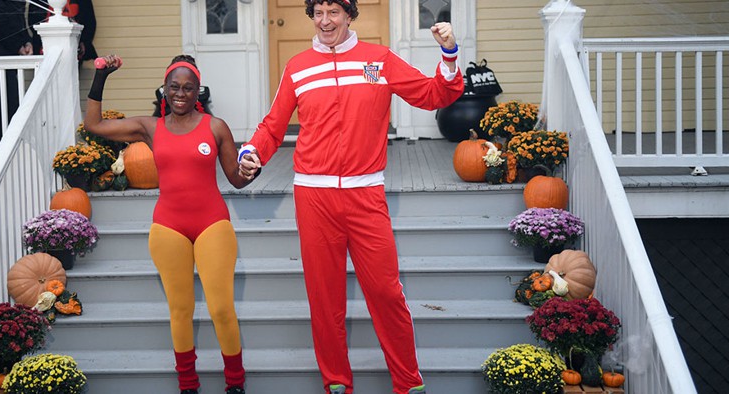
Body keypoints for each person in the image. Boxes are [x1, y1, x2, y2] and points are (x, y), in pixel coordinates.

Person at [237, 1, 464, 393]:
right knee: (325, 302)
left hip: (366, 195)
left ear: (349, 15)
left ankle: (408, 383)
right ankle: (337, 383)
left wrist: (448, 54)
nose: (325, 21)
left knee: (386, 293)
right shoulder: (297, 67)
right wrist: (250, 153)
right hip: (314, 198)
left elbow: (432, 95)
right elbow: (273, 127)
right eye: (318, 12)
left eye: (334, 12)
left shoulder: (379, 59)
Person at [83, 54, 253, 394]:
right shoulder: (150, 128)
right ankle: (187, 384)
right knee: (180, 310)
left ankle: (235, 383)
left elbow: (236, 179)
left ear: (198, 93)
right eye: (174, 87)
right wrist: (101, 76)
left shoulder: (215, 127)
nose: (180, 94)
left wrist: (252, 170)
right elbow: (94, 126)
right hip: (168, 227)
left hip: (212, 224)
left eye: (188, 88)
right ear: (164, 90)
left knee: (221, 308)